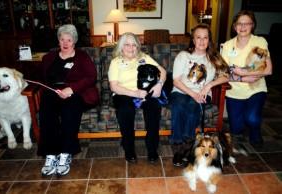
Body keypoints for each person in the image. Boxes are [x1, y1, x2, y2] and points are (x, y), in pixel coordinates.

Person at [37, 24, 99, 176]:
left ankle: (65, 153)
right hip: (53, 93)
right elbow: (39, 77)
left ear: (74, 41)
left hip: (76, 92)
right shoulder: (48, 57)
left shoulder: (82, 57)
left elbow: (91, 77)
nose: (65, 43)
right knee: (46, 111)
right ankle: (51, 155)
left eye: (69, 40)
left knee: (69, 110)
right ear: (58, 40)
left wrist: (71, 89)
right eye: (62, 39)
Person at [170, 24, 229, 166]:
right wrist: (192, 93)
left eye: (205, 37)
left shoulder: (214, 58)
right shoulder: (183, 56)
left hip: (202, 94)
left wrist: (209, 85)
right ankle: (178, 146)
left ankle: (187, 146)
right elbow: (176, 81)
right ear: (193, 40)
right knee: (178, 107)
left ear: (209, 40)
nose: (202, 41)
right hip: (180, 91)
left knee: (192, 110)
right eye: (198, 37)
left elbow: (226, 76)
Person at [108, 32, 166, 163]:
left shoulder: (144, 57)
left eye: (134, 45)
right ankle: (129, 149)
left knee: (154, 107)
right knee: (125, 110)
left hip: (145, 93)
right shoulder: (115, 62)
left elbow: (162, 71)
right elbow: (114, 87)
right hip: (124, 93)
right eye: (127, 45)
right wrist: (135, 93)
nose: (131, 48)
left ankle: (152, 149)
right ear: (121, 47)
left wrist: (159, 85)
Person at [221, 10, 272, 147]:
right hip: (234, 91)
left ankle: (255, 130)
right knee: (236, 129)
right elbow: (224, 74)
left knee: (252, 118)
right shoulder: (227, 46)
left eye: (247, 23)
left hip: (255, 88)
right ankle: (245, 118)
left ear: (252, 25)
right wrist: (243, 78)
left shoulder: (259, 42)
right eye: (239, 23)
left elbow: (268, 70)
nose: (242, 27)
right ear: (234, 26)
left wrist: (242, 72)